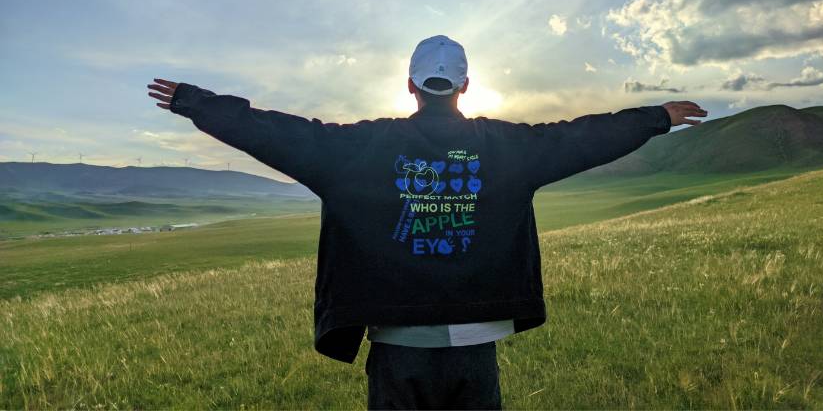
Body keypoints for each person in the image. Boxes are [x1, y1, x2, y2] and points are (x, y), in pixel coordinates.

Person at [148, 34, 707, 410]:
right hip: (476, 347)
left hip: (397, 345)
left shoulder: (360, 148)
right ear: (464, 86)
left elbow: (281, 134)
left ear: (411, 86)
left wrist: (199, 103)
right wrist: (655, 117)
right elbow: (580, 138)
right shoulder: (506, 147)